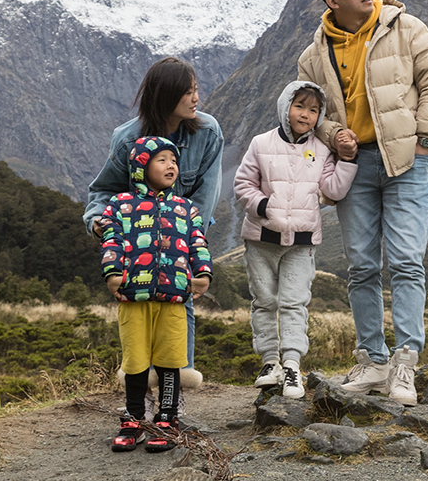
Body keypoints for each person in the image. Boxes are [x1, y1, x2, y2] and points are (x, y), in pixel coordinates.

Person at [298, 0, 428, 407]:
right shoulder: (313, 53)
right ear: (333, 0)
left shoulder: (406, 28)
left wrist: (424, 139)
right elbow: (314, 112)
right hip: (354, 168)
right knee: (361, 266)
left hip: (406, 162)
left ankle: (405, 362)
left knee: (406, 261)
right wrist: (332, 135)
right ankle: (373, 360)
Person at [85, 57, 224, 383]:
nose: (196, 99)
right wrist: (99, 225)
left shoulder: (207, 131)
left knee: (180, 300)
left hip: (183, 234)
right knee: (137, 308)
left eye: (196, 90)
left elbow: (206, 195)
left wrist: (190, 247)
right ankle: (138, 385)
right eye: (188, 92)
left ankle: (178, 385)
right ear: (165, 96)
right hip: (138, 242)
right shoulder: (127, 138)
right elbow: (104, 190)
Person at [233, 80, 358, 400]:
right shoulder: (260, 143)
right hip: (262, 238)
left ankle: (291, 364)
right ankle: (269, 362)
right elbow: (244, 182)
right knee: (264, 301)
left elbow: (333, 190)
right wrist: (262, 206)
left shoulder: (321, 149)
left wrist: (346, 161)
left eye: (314, 109)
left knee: (293, 302)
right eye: (299, 105)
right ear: (284, 106)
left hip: (302, 242)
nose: (306, 114)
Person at [97, 136, 213, 453]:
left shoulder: (186, 209)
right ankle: (134, 417)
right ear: (140, 166)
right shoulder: (120, 206)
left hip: (174, 296)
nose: (170, 165)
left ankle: (167, 418)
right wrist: (112, 272)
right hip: (133, 297)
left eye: (173, 160)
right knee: (135, 360)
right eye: (161, 159)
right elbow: (111, 240)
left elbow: (198, 243)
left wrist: (202, 273)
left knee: (170, 359)